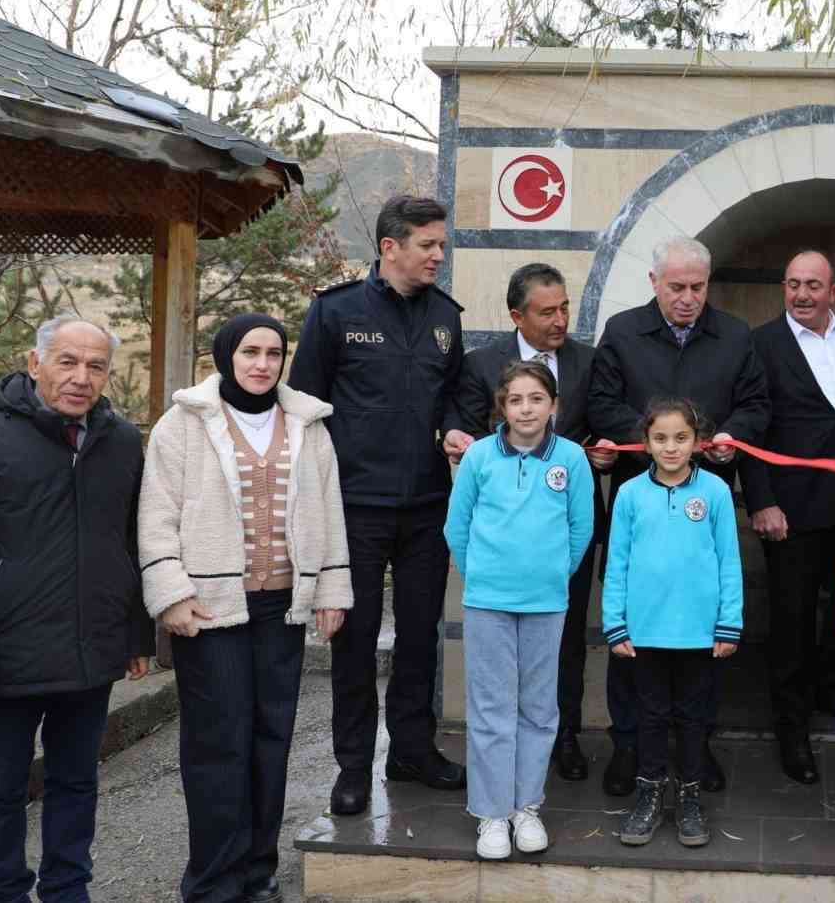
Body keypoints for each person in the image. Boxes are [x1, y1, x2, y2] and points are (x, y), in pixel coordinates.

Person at [138, 313, 355, 903]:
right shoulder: (183, 424)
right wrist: (172, 593)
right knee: (217, 744)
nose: (262, 364)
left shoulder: (308, 424)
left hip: (280, 608)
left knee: (270, 738)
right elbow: (157, 515)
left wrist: (332, 590)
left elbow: (330, 512)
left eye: (273, 353)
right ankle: (212, 882)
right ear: (226, 355)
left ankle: (257, 870)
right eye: (250, 352)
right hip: (209, 611)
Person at [0, 316, 155, 903]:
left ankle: (68, 890)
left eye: (95, 366)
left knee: (77, 782)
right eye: (67, 362)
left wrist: (135, 636)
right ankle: (3, 894)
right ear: (35, 363)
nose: (81, 378)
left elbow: (130, 544)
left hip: (91, 653)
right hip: (4, 657)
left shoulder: (119, 441)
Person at [288, 194, 467, 816]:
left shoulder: (447, 317)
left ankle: (412, 751)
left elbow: (457, 392)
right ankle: (354, 766)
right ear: (390, 247)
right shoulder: (335, 311)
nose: (438, 256)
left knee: (420, 636)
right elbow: (304, 408)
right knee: (356, 640)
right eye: (428, 245)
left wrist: (455, 426)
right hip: (355, 505)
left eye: (441, 245)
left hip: (425, 505)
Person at [586, 236, 769, 796]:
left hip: (704, 498)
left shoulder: (735, 335)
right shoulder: (621, 331)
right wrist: (658, 439)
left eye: (698, 287)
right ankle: (630, 750)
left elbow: (757, 404)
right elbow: (600, 402)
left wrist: (731, 436)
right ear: (654, 282)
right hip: (639, 499)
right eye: (677, 287)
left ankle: (696, 750)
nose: (688, 298)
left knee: (698, 646)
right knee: (633, 644)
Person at [443, 262, 615, 782]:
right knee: (497, 665)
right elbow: (464, 426)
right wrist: (479, 567)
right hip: (499, 550)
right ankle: (502, 760)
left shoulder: (589, 361)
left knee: (564, 640)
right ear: (518, 315)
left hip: (563, 536)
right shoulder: (481, 364)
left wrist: (602, 452)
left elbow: (607, 421)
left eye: (565, 307)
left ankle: (562, 738)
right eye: (548, 311)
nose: (561, 319)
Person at [444, 360, 595, 861]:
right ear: (501, 407)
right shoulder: (481, 457)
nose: (526, 409)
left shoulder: (571, 458)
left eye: (536, 399)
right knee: (490, 710)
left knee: (538, 708)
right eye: (515, 400)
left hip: (547, 603)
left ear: (554, 405)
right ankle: (491, 813)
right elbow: (457, 527)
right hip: (488, 602)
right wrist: (483, 575)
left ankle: (526, 806)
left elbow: (580, 530)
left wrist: (551, 575)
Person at [740, 249, 835, 785]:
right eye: (792, 284)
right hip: (788, 509)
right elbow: (752, 427)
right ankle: (790, 729)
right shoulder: (762, 343)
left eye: (813, 285)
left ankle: (830, 693)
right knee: (790, 617)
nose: (801, 295)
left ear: (833, 292)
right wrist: (762, 500)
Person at [602, 398, 743, 849]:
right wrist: (615, 624)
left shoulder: (716, 492)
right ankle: (649, 794)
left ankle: (689, 796)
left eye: (681, 438)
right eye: (660, 438)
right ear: (645, 442)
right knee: (650, 716)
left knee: (694, 717)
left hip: (699, 634)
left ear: (698, 442)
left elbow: (728, 563)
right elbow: (617, 562)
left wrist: (728, 624)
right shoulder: (629, 494)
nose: (671, 447)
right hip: (645, 633)